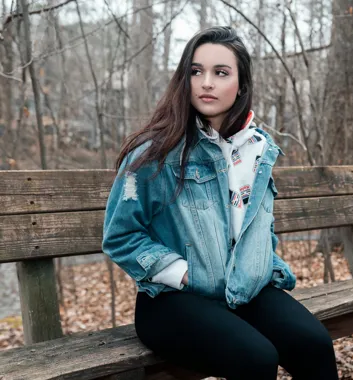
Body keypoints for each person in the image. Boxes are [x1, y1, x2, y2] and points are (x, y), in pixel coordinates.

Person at [102, 26, 339, 379]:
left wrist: (263, 265)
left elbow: (257, 226)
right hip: (170, 301)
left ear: (241, 84)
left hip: (242, 289)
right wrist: (184, 274)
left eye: (221, 72)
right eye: (196, 71)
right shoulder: (154, 154)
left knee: (315, 344)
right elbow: (120, 235)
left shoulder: (257, 150)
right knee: (257, 357)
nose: (206, 82)